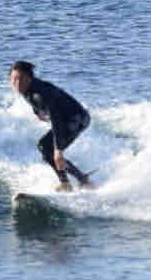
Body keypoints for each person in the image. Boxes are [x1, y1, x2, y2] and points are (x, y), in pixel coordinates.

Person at [8, 60, 93, 191]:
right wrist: (38, 113)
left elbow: (56, 119)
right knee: (45, 148)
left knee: (49, 149)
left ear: (30, 78)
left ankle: (74, 182)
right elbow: (38, 104)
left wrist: (58, 150)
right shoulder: (28, 88)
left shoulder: (39, 94)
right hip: (68, 117)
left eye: (21, 79)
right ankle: (76, 180)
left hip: (77, 119)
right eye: (14, 79)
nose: (17, 83)